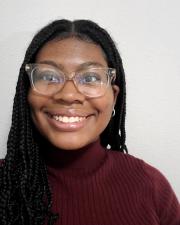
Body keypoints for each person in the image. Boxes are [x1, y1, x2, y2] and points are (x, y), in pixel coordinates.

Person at [0, 19, 179, 225]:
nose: (68, 95)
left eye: (91, 78)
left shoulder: (151, 186)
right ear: (26, 94)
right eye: (48, 75)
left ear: (113, 96)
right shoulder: (4, 184)